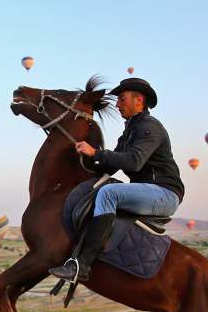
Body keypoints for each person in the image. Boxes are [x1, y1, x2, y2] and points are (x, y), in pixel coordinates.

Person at [49, 78, 185, 282]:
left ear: (139, 100)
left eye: (122, 99)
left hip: (164, 194)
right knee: (102, 188)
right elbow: (110, 167)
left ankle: (82, 265)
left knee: (108, 193)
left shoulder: (149, 127)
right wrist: (80, 160)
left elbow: (134, 162)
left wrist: (95, 152)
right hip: (148, 191)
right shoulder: (130, 130)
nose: (117, 104)